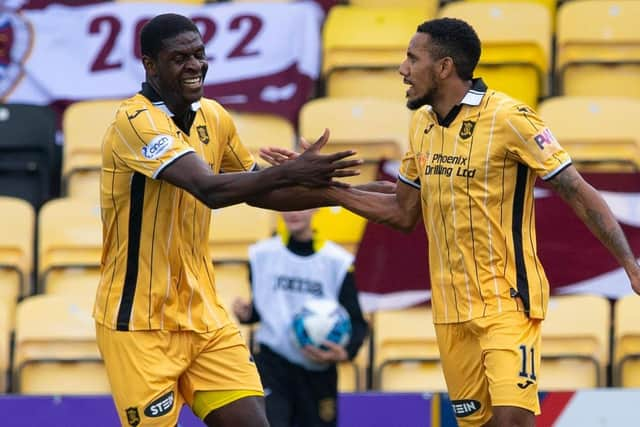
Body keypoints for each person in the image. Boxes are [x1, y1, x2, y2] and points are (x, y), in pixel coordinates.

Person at [261, 17, 640, 427]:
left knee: (510, 419)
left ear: (443, 67)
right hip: (450, 313)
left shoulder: (511, 118)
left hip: (507, 301)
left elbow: (577, 191)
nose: (402, 69)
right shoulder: (422, 125)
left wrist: (630, 264)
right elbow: (404, 209)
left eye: (412, 58)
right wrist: (325, 184)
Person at [92, 13, 363, 427]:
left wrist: (338, 190)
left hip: (205, 318)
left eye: (199, 55)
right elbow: (210, 189)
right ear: (150, 64)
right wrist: (293, 172)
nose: (195, 66)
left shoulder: (213, 117)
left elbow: (259, 190)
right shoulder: (135, 123)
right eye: (179, 57)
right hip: (138, 325)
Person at [232, 209, 368, 427]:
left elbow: (358, 323)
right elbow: (265, 307)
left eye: (301, 203)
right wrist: (248, 314)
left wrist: (344, 352)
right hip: (271, 365)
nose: (293, 211)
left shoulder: (337, 261)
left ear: (315, 207)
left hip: (318, 372)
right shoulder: (261, 255)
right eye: (287, 203)